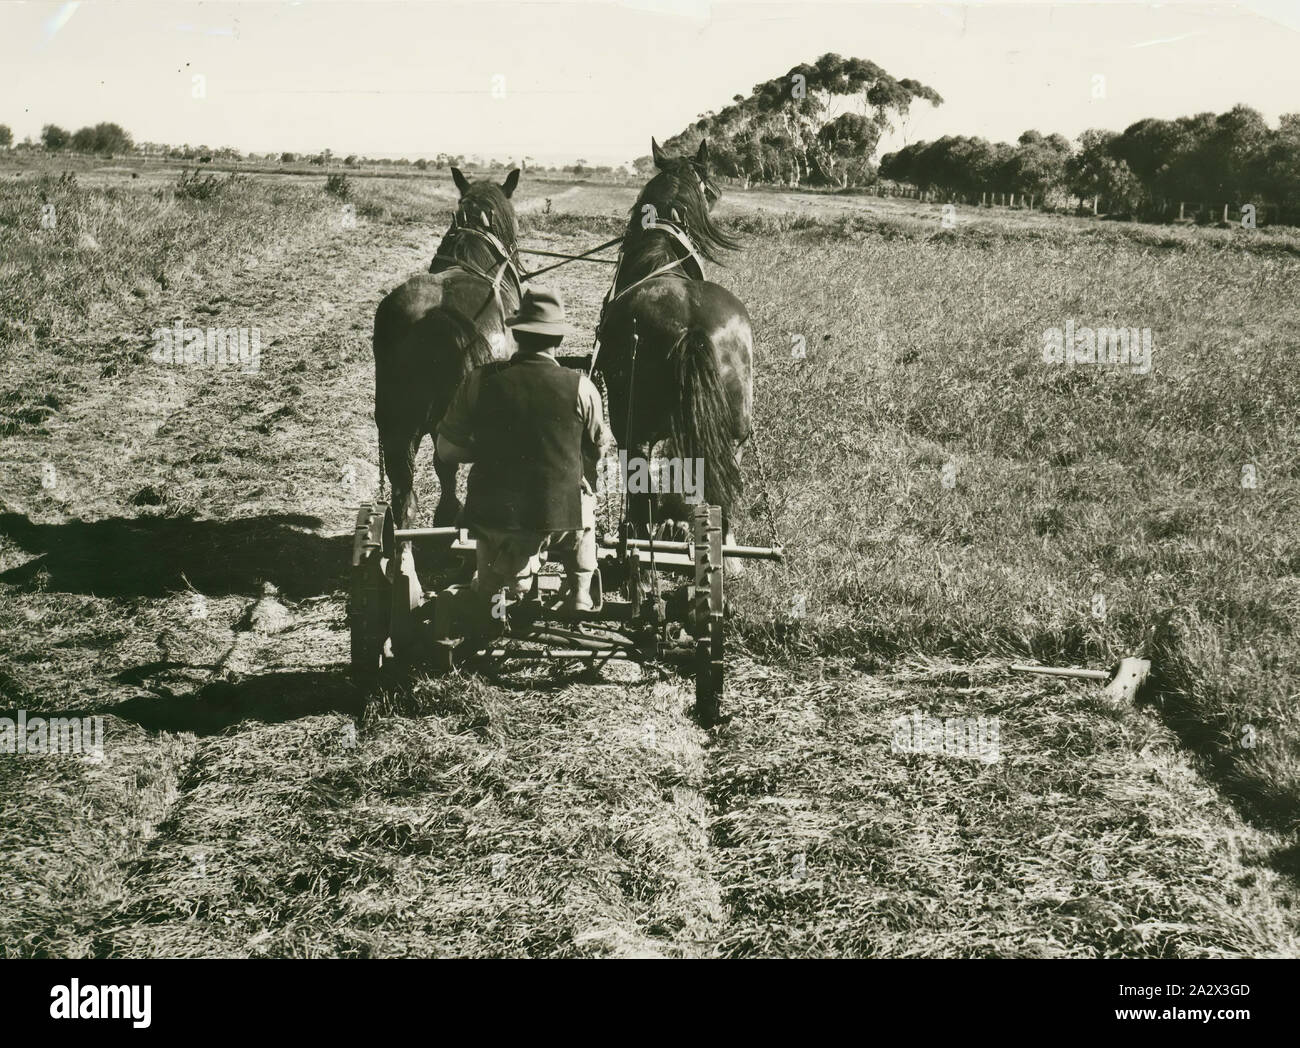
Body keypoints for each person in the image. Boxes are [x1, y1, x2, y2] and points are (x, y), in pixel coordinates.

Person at [436, 287, 607, 617]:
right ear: (557, 340)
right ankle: (580, 591)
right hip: (560, 522)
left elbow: (446, 451)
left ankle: (492, 592)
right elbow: (598, 449)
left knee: (490, 566)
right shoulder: (581, 387)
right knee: (586, 503)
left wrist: (486, 450)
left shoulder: (476, 381)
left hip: (492, 517)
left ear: (516, 334)